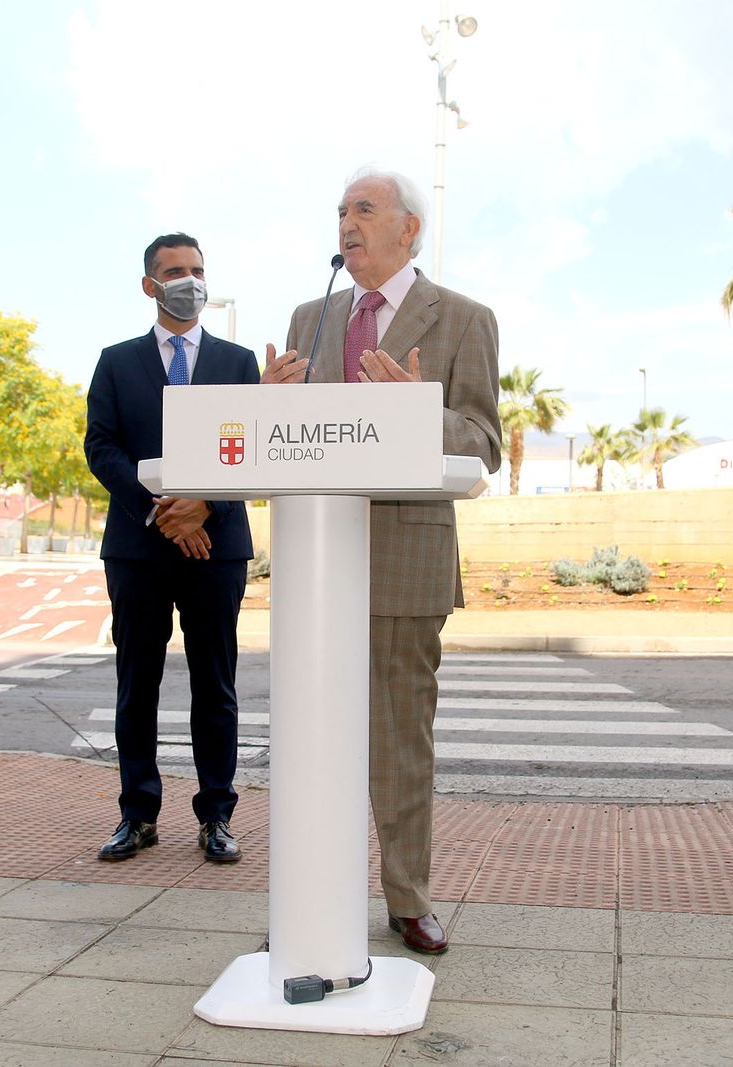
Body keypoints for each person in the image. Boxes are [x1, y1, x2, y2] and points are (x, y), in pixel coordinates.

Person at [261, 167, 501, 952]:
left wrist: (418, 410)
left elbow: (485, 442)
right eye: (340, 211)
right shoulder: (311, 314)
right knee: (306, 736)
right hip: (314, 561)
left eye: (363, 209)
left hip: (404, 559)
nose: (346, 223)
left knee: (399, 738)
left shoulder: (464, 319)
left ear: (410, 230)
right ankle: (306, 897)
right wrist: (272, 403)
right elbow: (289, 439)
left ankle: (408, 897)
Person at [83, 232, 261, 865]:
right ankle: (137, 815)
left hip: (218, 546)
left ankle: (216, 815)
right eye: (176, 271)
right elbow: (101, 447)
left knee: (216, 685)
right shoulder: (115, 361)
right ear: (150, 284)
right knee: (138, 685)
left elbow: (252, 448)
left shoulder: (239, 364)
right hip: (138, 546)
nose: (190, 281)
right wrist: (161, 511)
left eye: (198, 270)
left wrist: (204, 504)